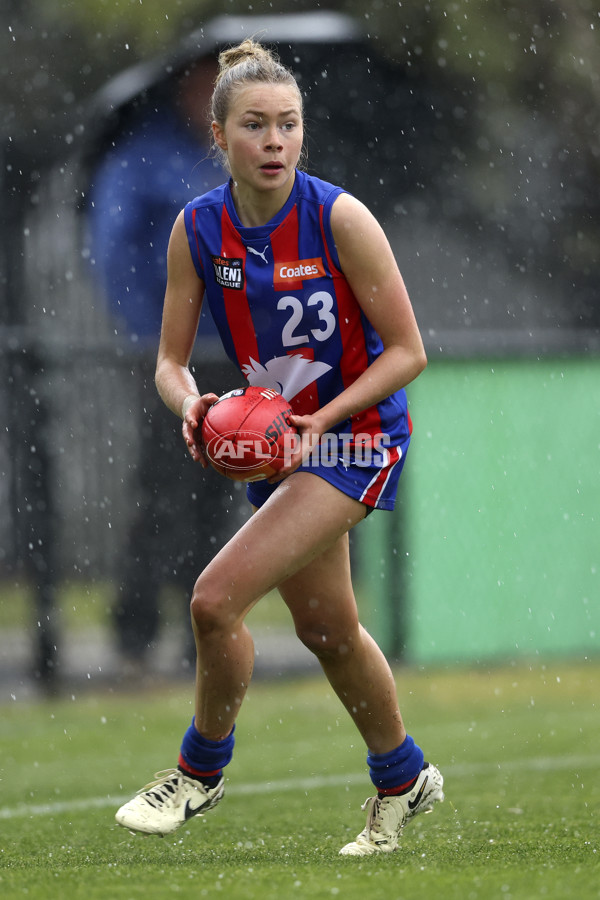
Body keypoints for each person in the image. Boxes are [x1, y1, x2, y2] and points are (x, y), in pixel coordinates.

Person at [115, 39, 444, 856]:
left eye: (288, 125)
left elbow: (409, 351)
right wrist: (194, 407)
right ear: (219, 138)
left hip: (354, 439)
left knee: (213, 600)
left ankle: (198, 774)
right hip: (281, 447)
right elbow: (169, 363)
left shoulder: (339, 218)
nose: (274, 140)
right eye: (254, 125)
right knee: (329, 631)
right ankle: (404, 779)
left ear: (303, 134)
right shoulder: (197, 231)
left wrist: (324, 421)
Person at [88, 56, 243, 671]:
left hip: (234, 354)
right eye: (206, 85)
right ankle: (136, 626)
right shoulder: (142, 157)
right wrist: (154, 338)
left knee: (219, 492)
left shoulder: (236, 159)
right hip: (173, 358)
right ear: (184, 86)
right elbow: (113, 251)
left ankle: (200, 625)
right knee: (162, 485)